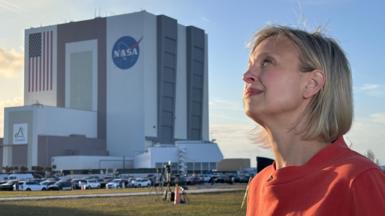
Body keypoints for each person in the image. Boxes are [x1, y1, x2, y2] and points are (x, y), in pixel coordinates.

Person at [243, 25, 385, 216]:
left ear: (312, 84)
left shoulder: (357, 180)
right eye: (250, 64)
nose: (246, 76)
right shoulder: (258, 185)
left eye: (267, 62)